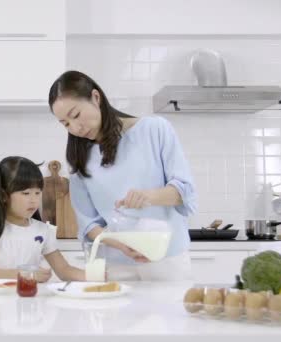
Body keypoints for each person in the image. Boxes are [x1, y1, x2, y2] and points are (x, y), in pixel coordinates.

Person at [48, 70, 197, 281]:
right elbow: (89, 224)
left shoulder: (154, 130)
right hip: (116, 264)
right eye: (65, 124)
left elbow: (184, 190)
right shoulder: (79, 158)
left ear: (95, 98)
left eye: (76, 115)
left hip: (167, 259)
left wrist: (149, 197)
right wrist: (120, 244)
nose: (75, 128)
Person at [0, 156, 85, 282]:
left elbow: (64, 270)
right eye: (26, 193)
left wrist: (98, 276)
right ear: (3, 195)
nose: (34, 200)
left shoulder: (43, 230)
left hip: (29, 299)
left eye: (38, 193)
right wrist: (23, 274)